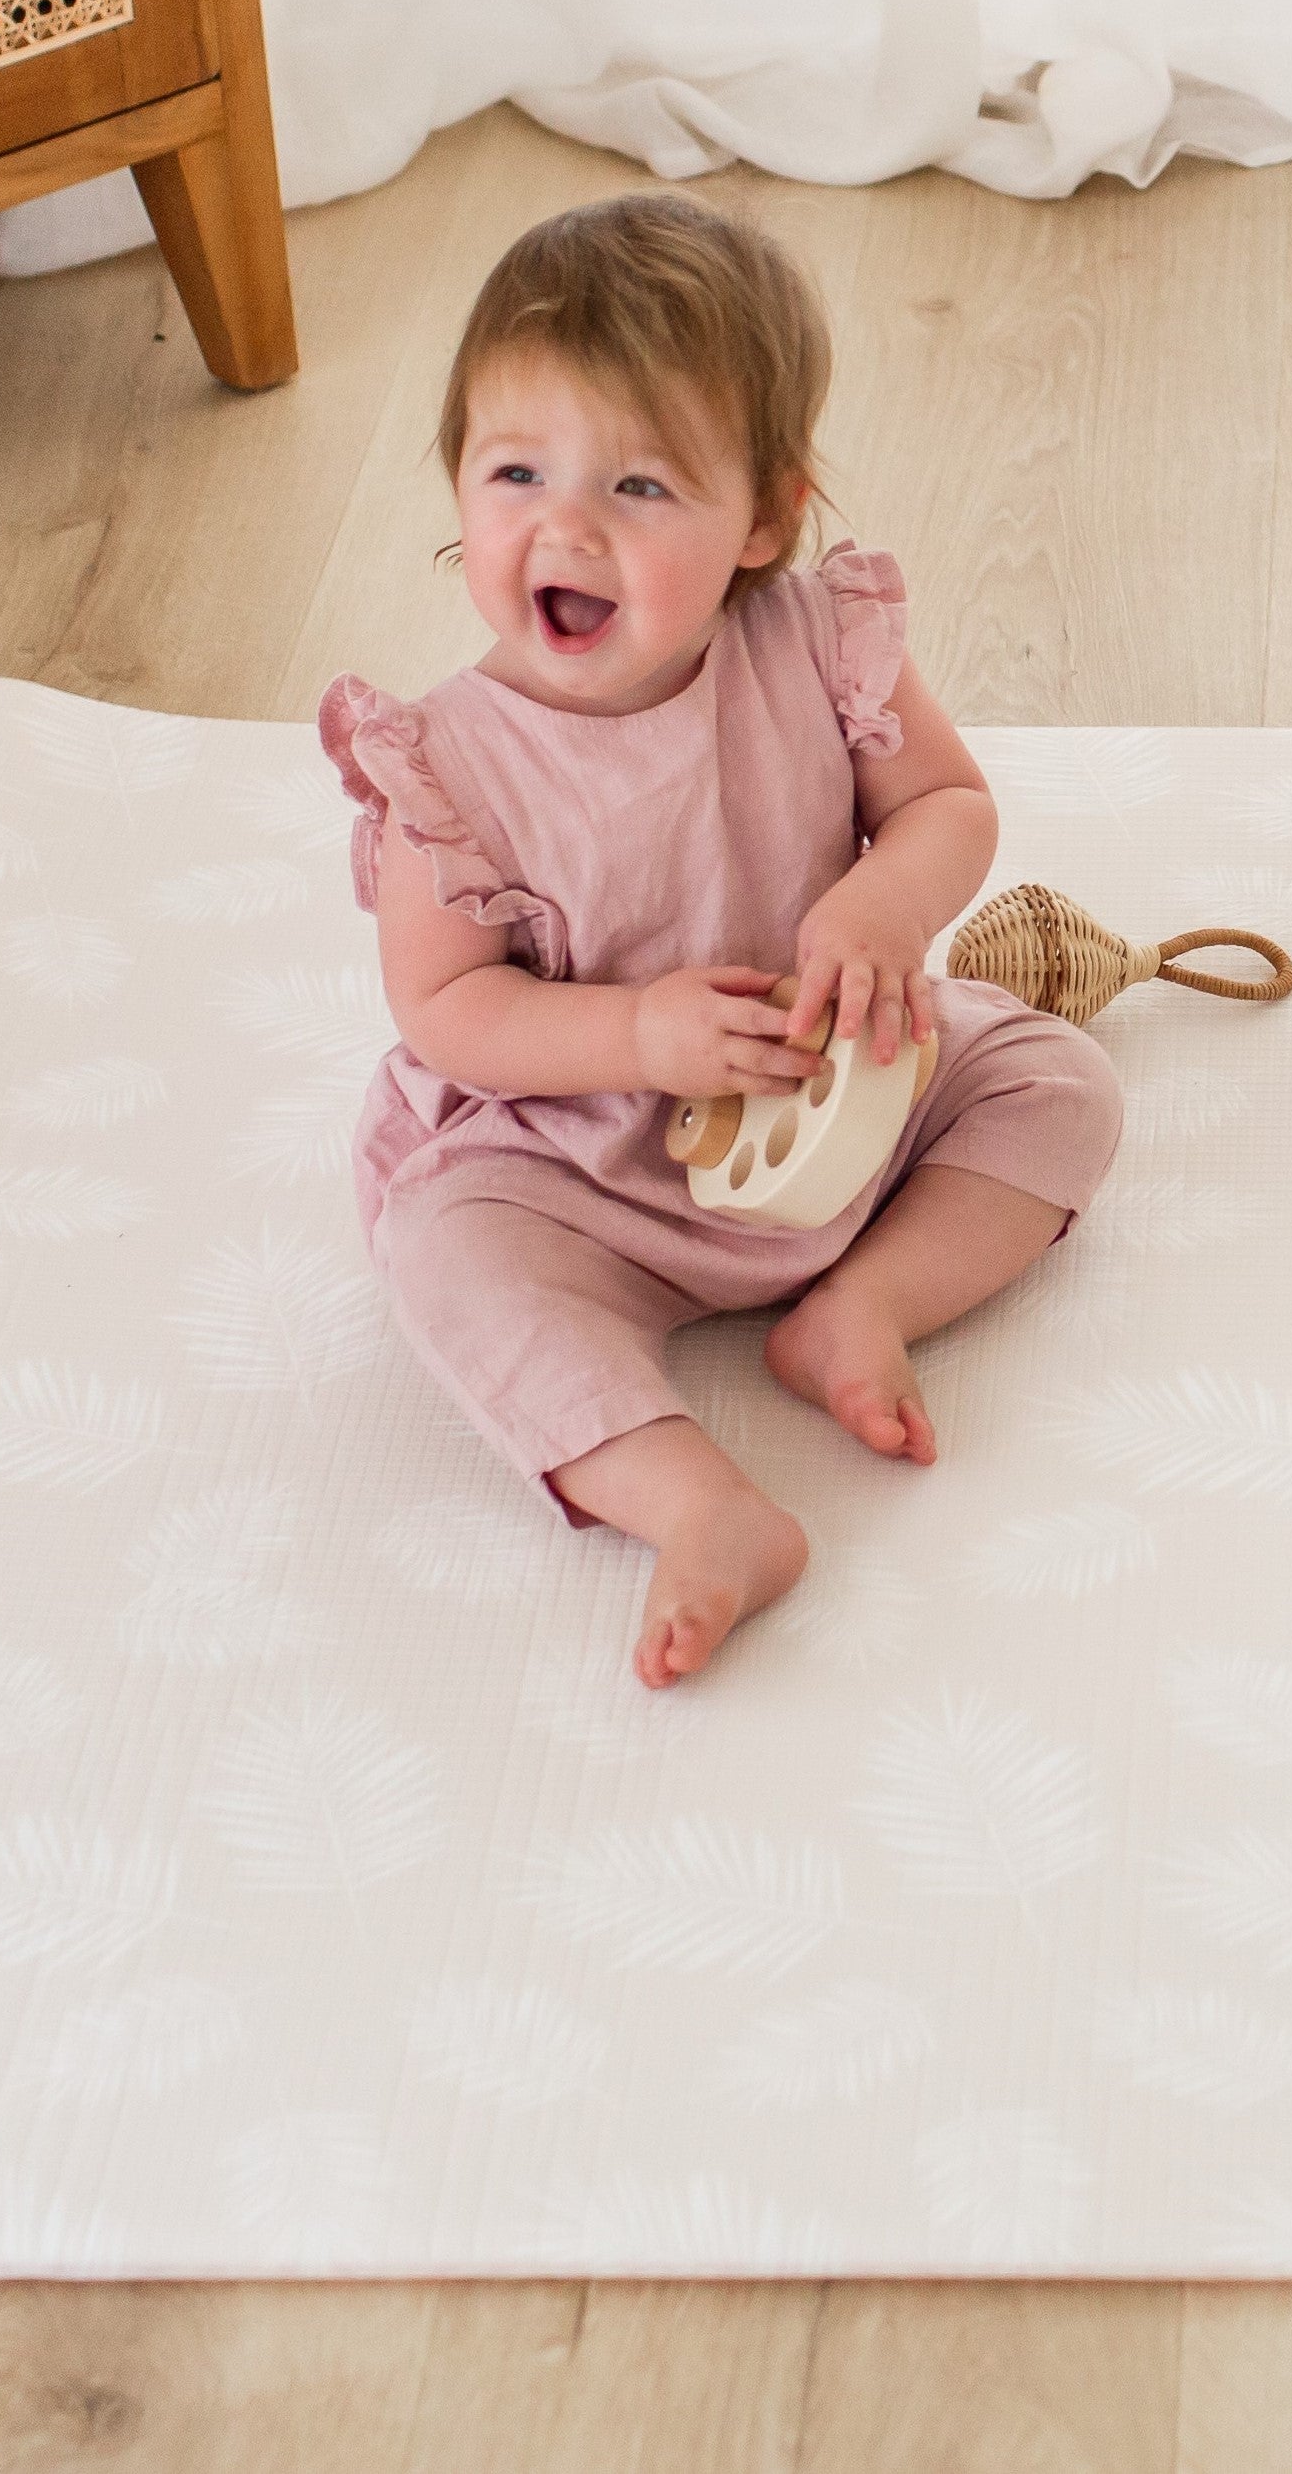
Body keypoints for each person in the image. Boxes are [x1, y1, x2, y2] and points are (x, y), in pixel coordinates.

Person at [320, 193, 1119, 1686]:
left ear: (764, 515)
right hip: (583, 1160)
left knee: (1057, 1080)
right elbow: (446, 1005)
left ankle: (860, 1306)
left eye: (638, 483)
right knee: (443, 1247)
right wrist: (636, 1035)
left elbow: (946, 803)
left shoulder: (814, 641)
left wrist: (880, 905)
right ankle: (699, 1502)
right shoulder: (448, 764)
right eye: (515, 471)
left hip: (837, 1088)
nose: (564, 526)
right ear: (457, 481)